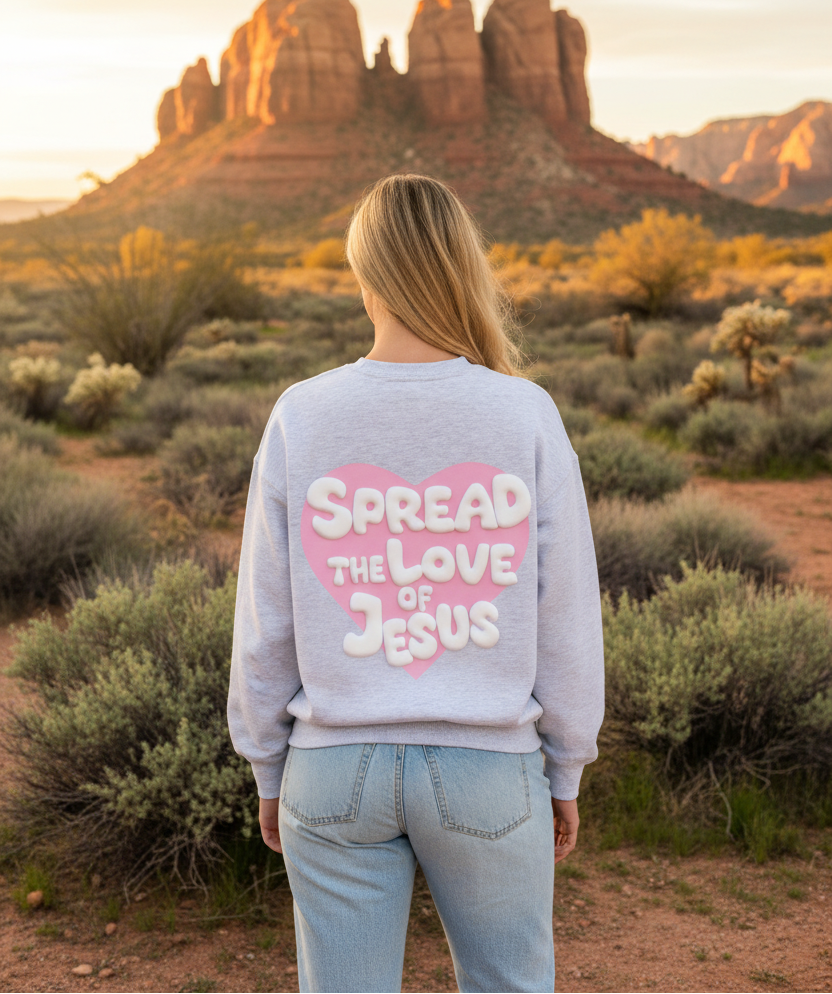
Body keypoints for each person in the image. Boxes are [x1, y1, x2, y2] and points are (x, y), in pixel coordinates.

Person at [228, 173, 605, 994]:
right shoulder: (525, 412)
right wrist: (567, 764)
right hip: (489, 770)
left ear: (364, 274)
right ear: (461, 268)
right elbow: (566, 613)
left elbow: (266, 618)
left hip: (331, 767)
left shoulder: (301, 413)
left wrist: (267, 764)